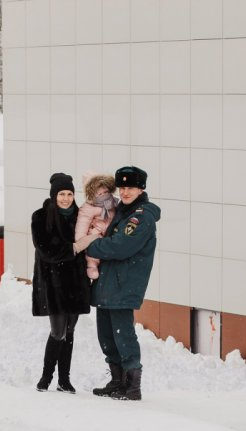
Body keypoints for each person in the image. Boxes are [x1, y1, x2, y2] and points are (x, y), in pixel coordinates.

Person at [74, 166, 161, 402]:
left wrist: (87, 246)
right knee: (107, 336)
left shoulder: (141, 216)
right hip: (108, 284)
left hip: (124, 285)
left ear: (141, 188)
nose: (124, 192)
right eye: (122, 188)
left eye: (130, 188)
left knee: (124, 335)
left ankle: (131, 387)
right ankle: (116, 381)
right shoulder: (119, 211)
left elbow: (120, 246)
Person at [30, 172, 91, 393]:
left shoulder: (80, 217)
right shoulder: (40, 217)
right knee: (58, 331)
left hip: (75, 284)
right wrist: (75, 247)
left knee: (70, 330)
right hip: (53, 284)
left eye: (69, 194)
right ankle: (46, 378)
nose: (66, 198)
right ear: (54, 195)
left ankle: (64, 380)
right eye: (61, 194)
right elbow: (46, 250)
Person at [75, 173, 118, 281]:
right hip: (96, 234)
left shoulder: (113, 203)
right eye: (99, 194)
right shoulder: (88, 207)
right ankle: (92, 265)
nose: (104, 195)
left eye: (106, 192)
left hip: (110, 234)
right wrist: (81, 240)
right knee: (93, 248)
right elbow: (82, 223)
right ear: (92, 194)